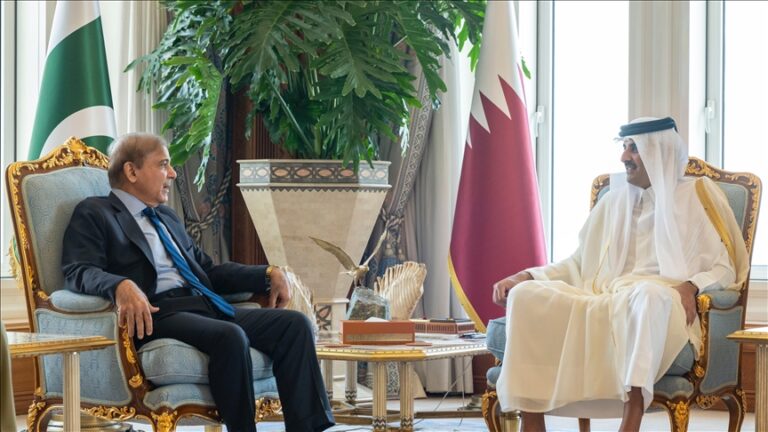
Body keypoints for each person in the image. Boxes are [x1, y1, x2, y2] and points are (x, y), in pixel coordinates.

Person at [61, 133, 334, 432]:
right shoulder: (95, 212)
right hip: (158, 312)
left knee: (294, 325)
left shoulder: (166, 217)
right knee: (230, 336)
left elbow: (208, 272)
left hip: (203, 305)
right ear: (131, 171)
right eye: (163, 164)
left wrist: (268, 273)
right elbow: (78, 270)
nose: (173, 174)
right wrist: (120, 285)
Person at [491, 117, 749, 432]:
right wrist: (525, 277)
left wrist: (692, 286)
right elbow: (577, 264)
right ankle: (533, 423)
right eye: (624, 147)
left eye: (634, 149)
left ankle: (632, 416)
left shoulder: (697, 196)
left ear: (659, 151)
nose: (624, 157)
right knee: (527, 295)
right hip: (608, 294)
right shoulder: (613, 200)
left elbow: (725, 267)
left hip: (663, 298)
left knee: (648, 296)